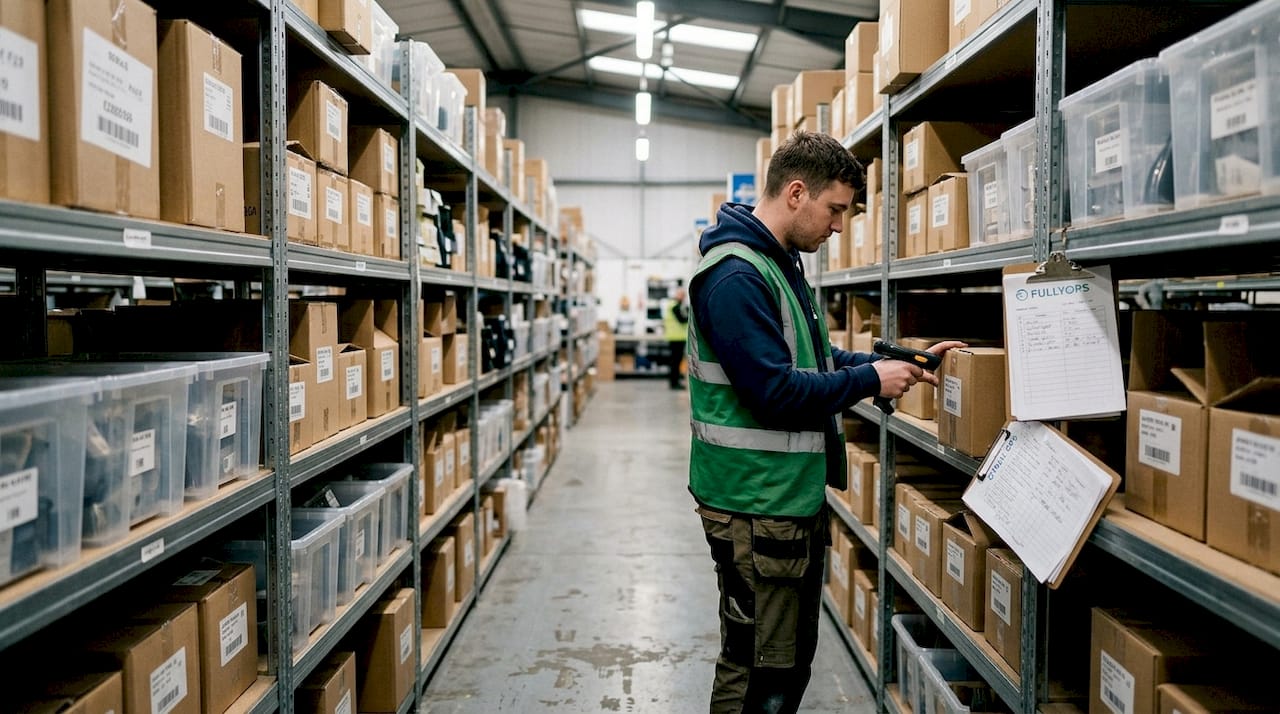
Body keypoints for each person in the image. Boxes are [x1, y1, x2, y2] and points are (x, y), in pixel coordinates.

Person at [686, 131, 965, 714]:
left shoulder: (776, 262)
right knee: (759, 670)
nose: (839, 226)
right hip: (754, 503)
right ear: (796, 193)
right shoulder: (736, 277)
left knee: (784, 664)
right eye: (835, 209)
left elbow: (813, 360)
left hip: (780, 499)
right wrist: (870, 382)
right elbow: (775, 392)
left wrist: (899, 363)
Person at [664, 287, 689, 389]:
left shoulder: (676, 305)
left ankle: (675, 382)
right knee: (675, 362)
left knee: (676, 361)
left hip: (678, 338)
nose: (683, 297)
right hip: (676, 338)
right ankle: (674, 383)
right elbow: (682, 319)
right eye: (682, 295)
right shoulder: (674, 306)